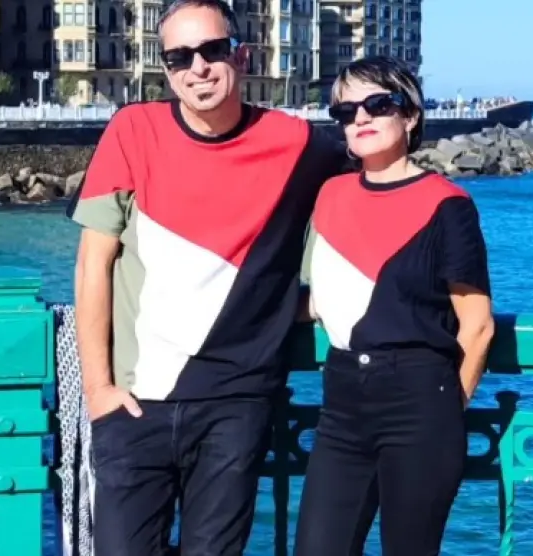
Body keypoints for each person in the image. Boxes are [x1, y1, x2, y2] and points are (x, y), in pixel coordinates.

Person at [66, 0, 347, 554]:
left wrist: (322, 298)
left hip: (236, 405)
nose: (198, 67)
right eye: (179, 57)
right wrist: (97, 390)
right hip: (134, 403)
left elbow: (374, 188)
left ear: (241, 56)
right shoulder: (132, 130)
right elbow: (92, 263)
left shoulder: (298, 144)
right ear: (166, 69)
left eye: (212, 50)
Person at [293, 56, 496, 555]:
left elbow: (477, 325)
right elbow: (321, 298)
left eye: (379, 104)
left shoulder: (448, 205)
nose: (361, 117)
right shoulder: (330, 195)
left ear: (410, 116)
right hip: (342, 404)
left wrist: (446, 407)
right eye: (346, 111)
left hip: (420, 403)